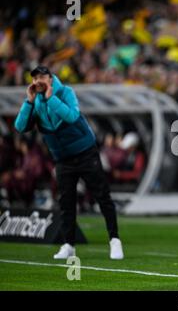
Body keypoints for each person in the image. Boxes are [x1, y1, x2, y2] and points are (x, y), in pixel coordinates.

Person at [14, 65, 124, 260]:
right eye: (34, 78)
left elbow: (72, 116)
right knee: (66, 202)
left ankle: (114, 241)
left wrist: (51, 98)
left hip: (85, 153)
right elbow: (20, 127)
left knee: (102, 197)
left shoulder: (66, 92)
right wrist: (29, 102)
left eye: (41, 77)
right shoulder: (35, 101)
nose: (37, 81)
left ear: (50, 78)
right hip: (63, 159)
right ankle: (68, 245)